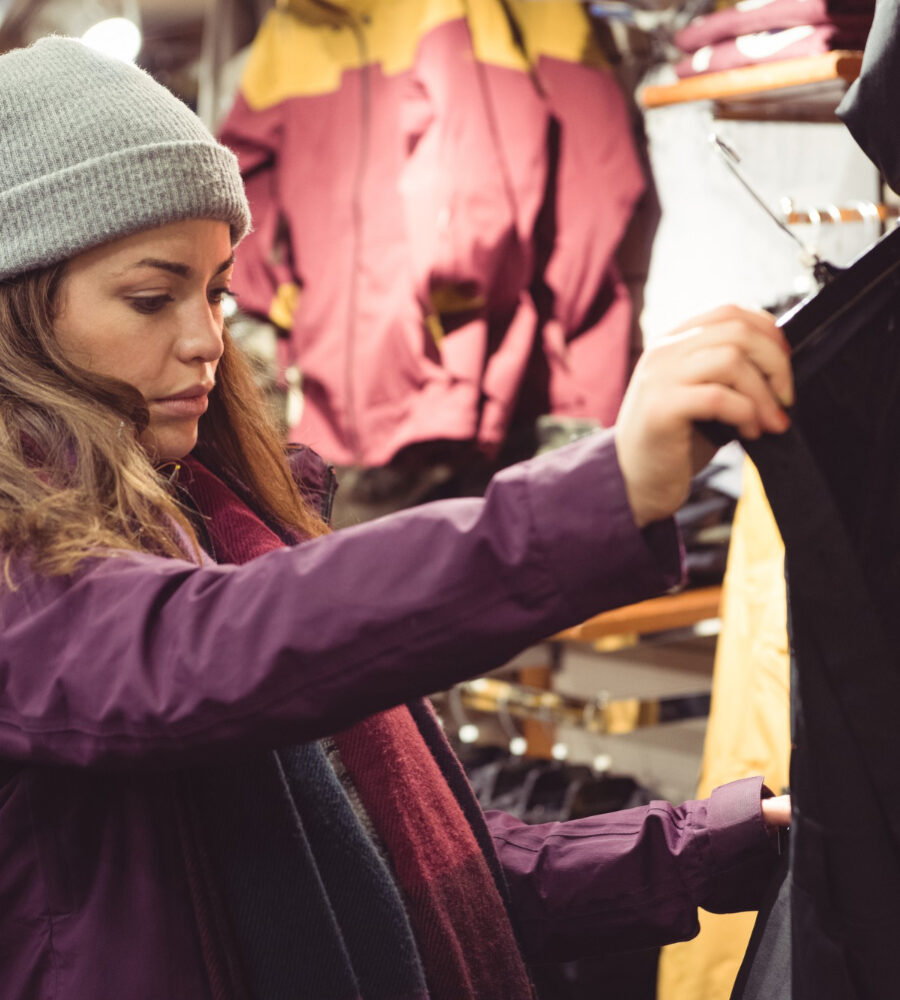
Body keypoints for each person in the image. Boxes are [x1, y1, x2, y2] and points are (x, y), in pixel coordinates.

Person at [0, 37, 792, 1000]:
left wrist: (705, 849)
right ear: (19, 315)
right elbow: (195, 654)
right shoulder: (29, 570)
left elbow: (412, 872)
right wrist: (601, 491)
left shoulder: (224, 520)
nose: (207, 340)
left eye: (216, 291)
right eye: (151, 296)